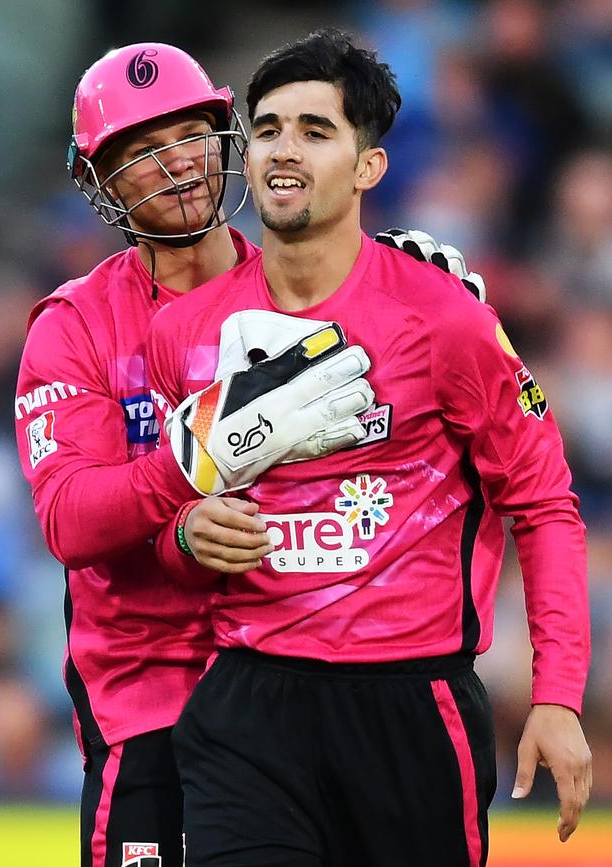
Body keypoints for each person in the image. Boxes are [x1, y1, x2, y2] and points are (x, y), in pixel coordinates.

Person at [14, 41, 469, 867]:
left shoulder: (314, 288)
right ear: (99, 182)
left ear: (227, 140)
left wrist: (431, 297)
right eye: (140, 153)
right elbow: (68, 520)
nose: (176, 166)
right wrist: (190, 476)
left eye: (188, 136)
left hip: (298, 688)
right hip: (149, 697)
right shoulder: (74, 326)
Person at [147, 29, 592, 867]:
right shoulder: (182, 333)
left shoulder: (449, 321)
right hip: (248, 705)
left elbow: (544, 504)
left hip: (412, 709)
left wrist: (558, 695)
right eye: (269, 127)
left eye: (316, 131)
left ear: (367, 169)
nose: (284, 149)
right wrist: (183, 538)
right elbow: (167, 532)